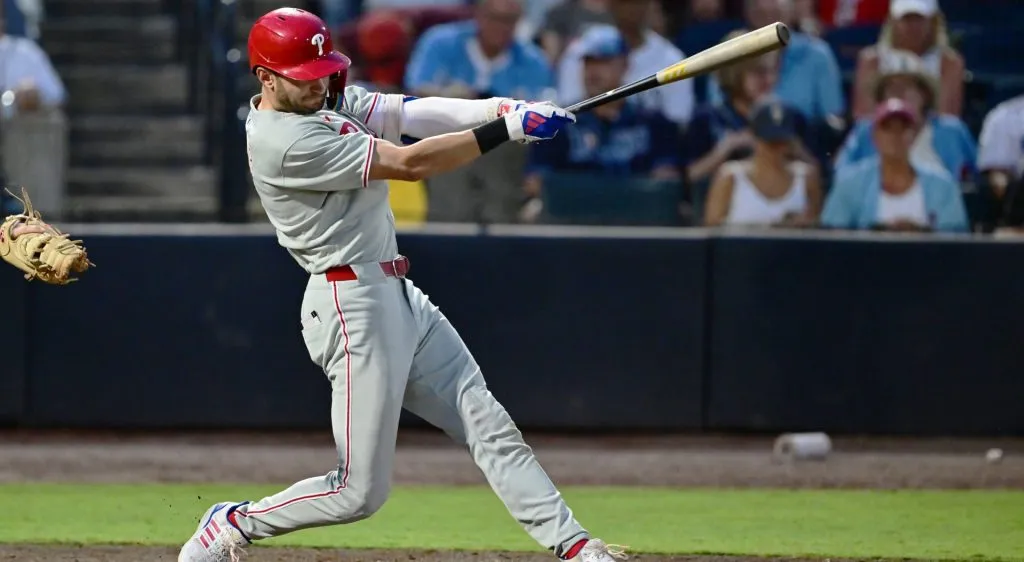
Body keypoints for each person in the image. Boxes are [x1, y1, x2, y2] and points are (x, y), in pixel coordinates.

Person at [176, 8, 625, 562]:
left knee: (485, 419)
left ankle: (576, 547)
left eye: (323, 70)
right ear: (266, 77)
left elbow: (407, 111)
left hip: (396, 290)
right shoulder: (283, 140)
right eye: (305, 75)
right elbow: (409, 163)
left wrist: (505, 106)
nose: (320, 83)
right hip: (349, 303)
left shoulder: (317, 95)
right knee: (358, 493)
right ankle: (234, 522)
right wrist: (506, 130)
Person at [403, 0, 556, 224]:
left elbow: (545, 112)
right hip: (448, 149)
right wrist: (457, 97)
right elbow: (414, 91)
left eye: (509, 20)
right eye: (494, 17)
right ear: (478, 15)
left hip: (503, 157)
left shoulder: (533, 61)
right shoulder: (440, 42)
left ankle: (501, 234)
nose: (501, 26)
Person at [521, 25, 681, 222]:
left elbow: (666, 180)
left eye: (603, 62)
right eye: (589, 62)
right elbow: (535, 181)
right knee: (533, 211)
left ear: (625, 65)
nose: (593, 71)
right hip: (575, 219)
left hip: (635, 220)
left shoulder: (652, 122)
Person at [821, 97, 968, 232]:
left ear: (913, 134)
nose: (895, 135)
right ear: (874, 135)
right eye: (887, 128)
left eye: (903, 128)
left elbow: (956, 241)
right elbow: (833, 238)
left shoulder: (943, 185)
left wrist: (921, 233)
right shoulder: (850, 184)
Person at [834, 49, 976, 182]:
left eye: (908, 87)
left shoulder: (952, 130)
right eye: (892, 87)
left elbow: (979, 172)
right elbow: (842, 172)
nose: (899, 93)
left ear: (925, 94)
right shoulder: (865, 130)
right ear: (882, 96)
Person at [557, 0, 696, 127]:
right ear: (610, 4)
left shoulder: (673, 60)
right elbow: (568, 113)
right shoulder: (582, 49)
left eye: (637, 2)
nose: (631, 9)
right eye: (625, 2)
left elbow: (678, 125)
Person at [703, 99, 823, 227]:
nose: (778, 149)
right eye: (771, 143)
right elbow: (712, 233)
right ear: (754, 138)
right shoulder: (730, 177)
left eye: (783, 142)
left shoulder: (807, 177)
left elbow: (817, 229)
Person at [851, 0, 964, 118]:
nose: (913, 26)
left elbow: (947, 117)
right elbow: (864, 116)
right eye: (906, 19)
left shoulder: (949, 63)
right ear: (893, 21)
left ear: (933, 21)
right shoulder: (872, 60)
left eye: (919, 19)